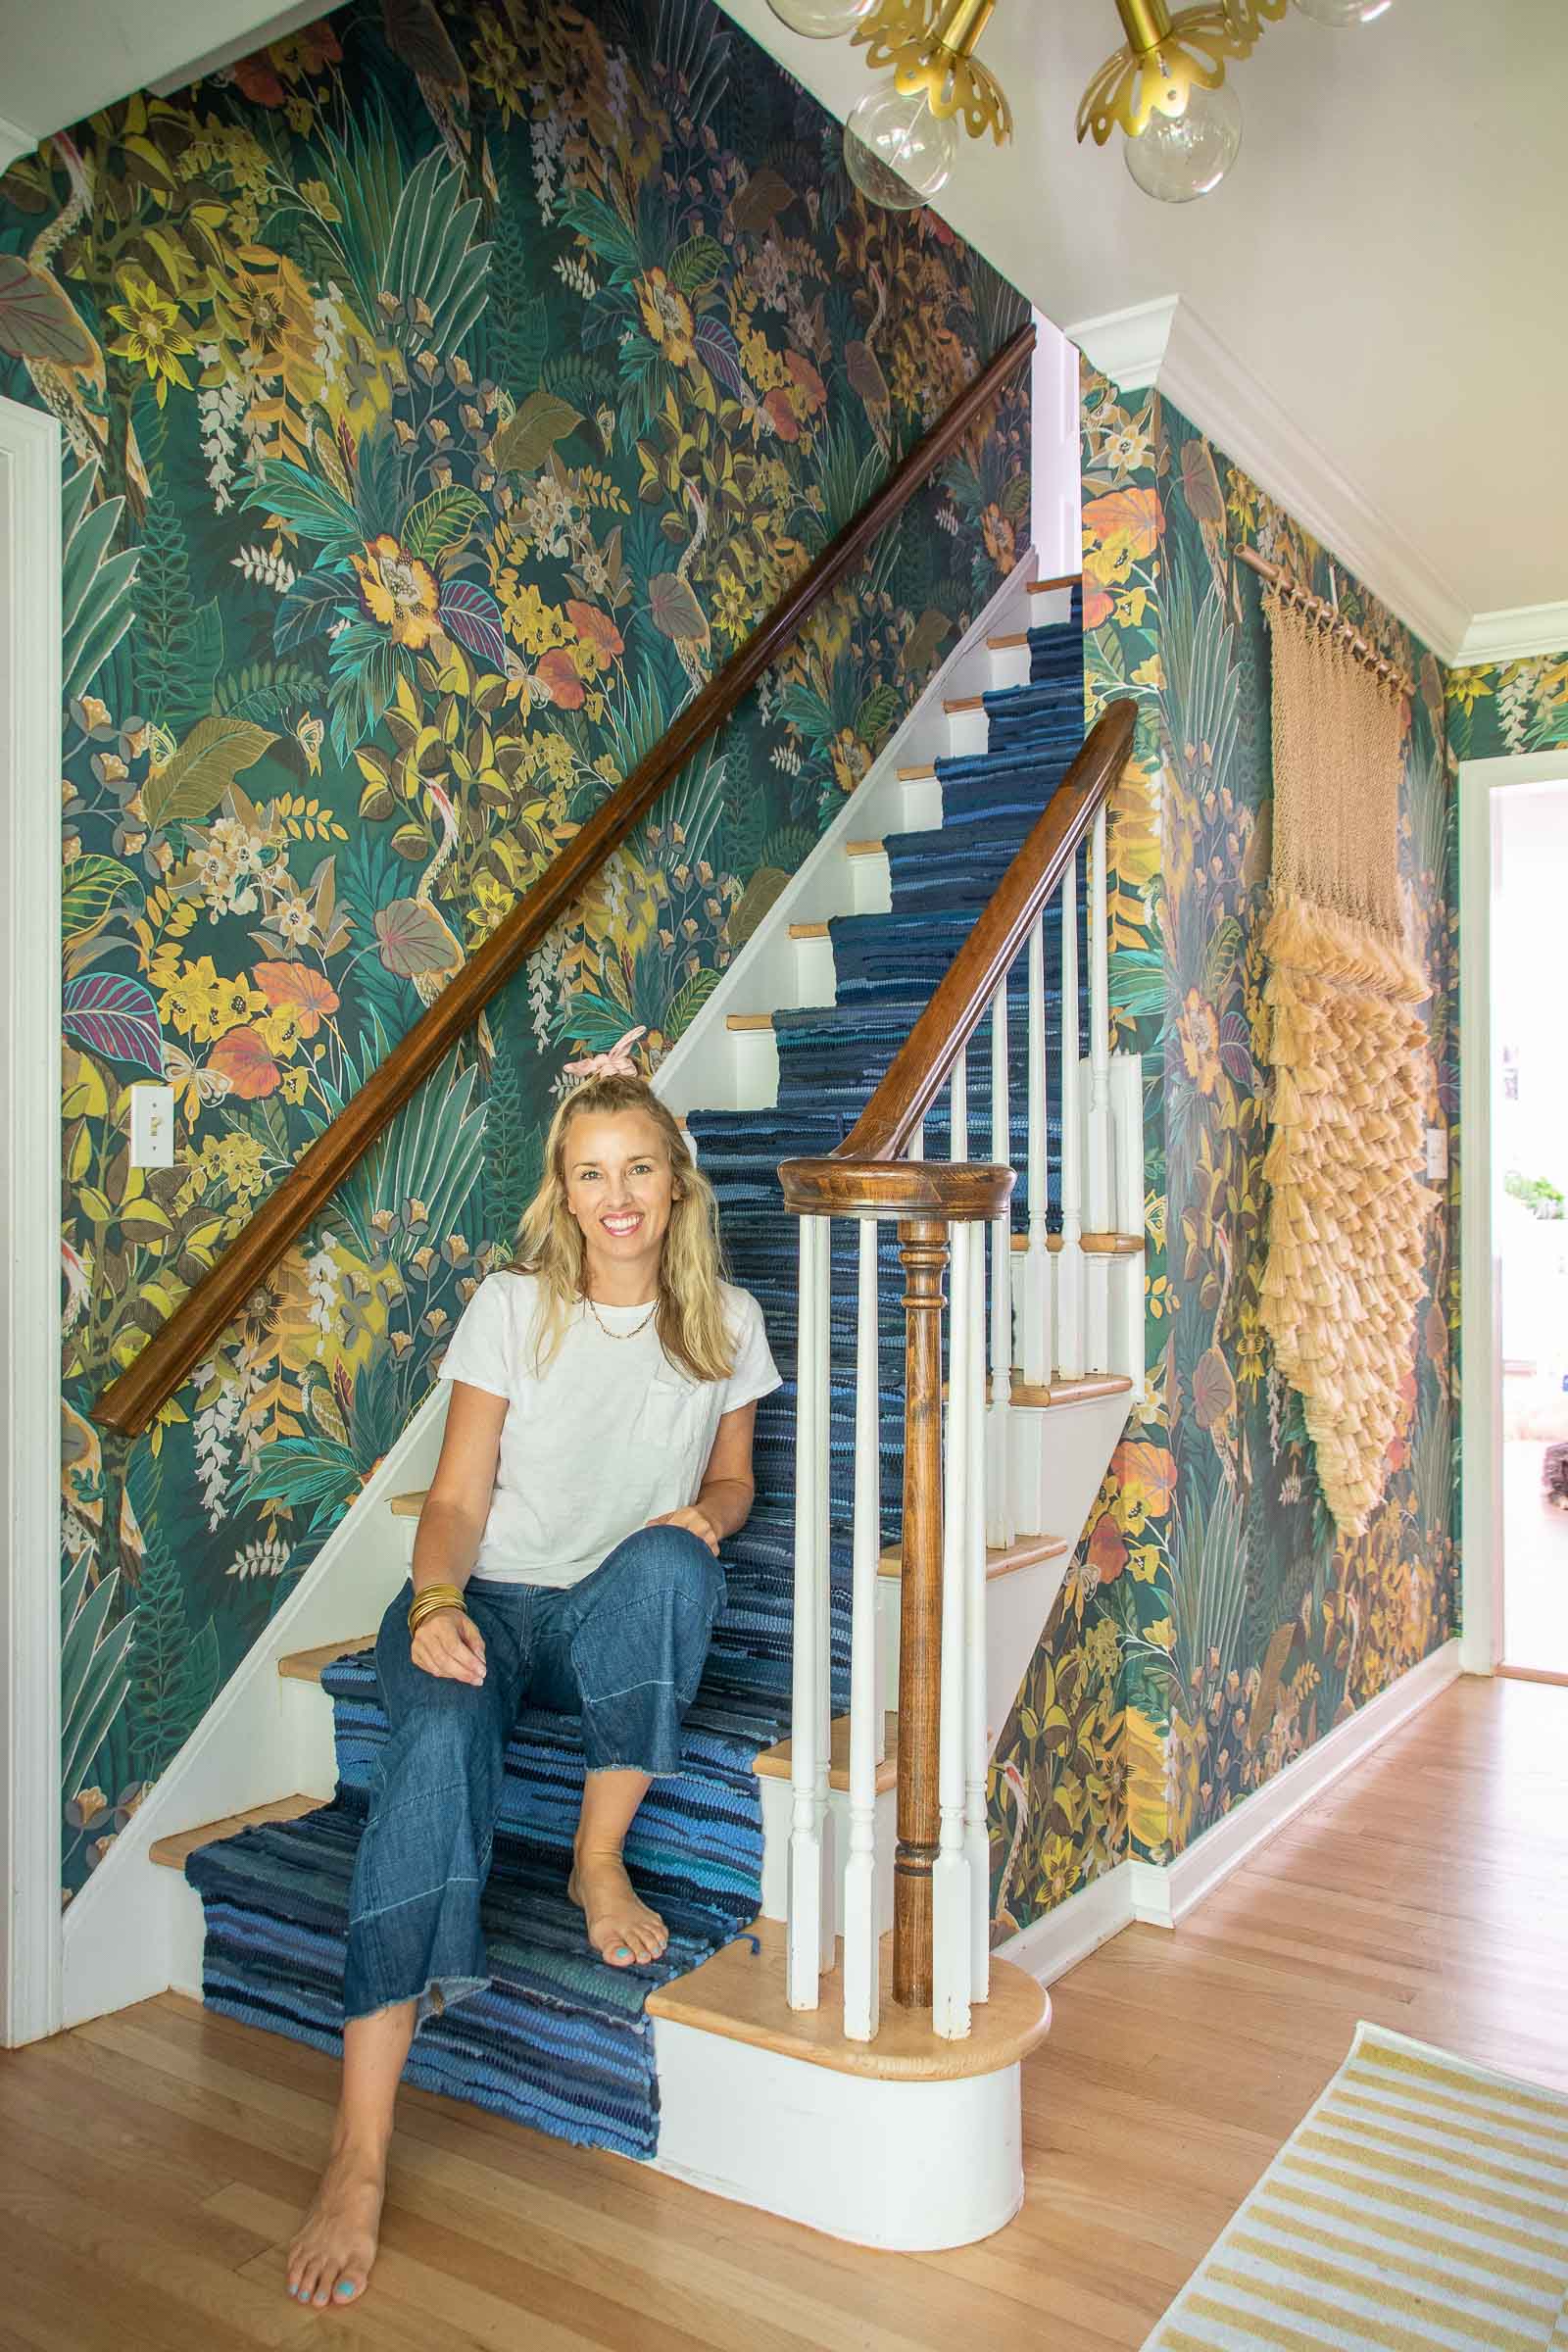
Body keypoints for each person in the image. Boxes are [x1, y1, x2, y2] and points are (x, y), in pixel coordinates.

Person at [286, 1054, 780, 2308]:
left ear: (675, 1185)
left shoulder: (728, 1319)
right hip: (481, 1608)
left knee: (674, 1563)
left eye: (638, 1171)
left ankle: (593, 1858)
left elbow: (736, 1484)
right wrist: (441, 1601)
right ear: (563, 1194)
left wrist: (705, 1525)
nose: (616, 1197)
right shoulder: (514, 1305)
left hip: (607, 1614)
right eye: (589, 1174)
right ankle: (357, 2149)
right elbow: (453, 1500)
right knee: (439, 1740)